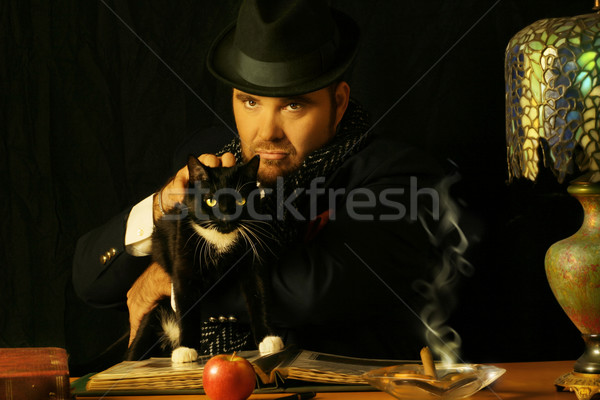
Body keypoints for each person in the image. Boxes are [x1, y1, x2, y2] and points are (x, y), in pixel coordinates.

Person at [72, 0, 444, 360]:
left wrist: (173, 277)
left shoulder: (398, 175)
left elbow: (315, 289)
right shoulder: (208, 160)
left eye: (293, 105)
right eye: (250, 102)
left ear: (340, 102)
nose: (267, 132)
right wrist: (162, 203)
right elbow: (92, 284)